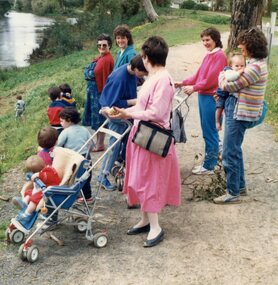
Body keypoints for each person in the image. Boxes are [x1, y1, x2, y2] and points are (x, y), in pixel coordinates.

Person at [110, 36, 181, 247]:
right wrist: (122, 112)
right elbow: (142, 107)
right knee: (141, 178)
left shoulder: (163, 80)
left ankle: (156, 226)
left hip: (153, 137)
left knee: (150, 181)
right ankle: (144, 220)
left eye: (143, 55)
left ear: (148, 57)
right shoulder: (153, 76)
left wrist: (127, 114)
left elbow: (156, 113)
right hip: (142, 134)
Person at [213, 27, 268, 204]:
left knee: (229, 152)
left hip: (239, 113)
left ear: (251, 46)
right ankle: (240, 186)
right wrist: (225, 78)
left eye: (243, 46)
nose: (240, 48)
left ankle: (233, 192)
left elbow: (228, 86)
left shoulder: (254, 68)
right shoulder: (256, 64)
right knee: (235, 149)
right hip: (238, 110)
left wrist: (221, 77)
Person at [175, 27, 227, 175]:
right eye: (203, 40)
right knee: (208, 130)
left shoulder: (220, 56)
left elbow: (211, 80)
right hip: (204, 97)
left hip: (212, 97)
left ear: (215, 39)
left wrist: (194, 88)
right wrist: (183, 82)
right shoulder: (209, 55)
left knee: (209, 131)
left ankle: (209, 166)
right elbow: (198, 75)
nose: (205, 43)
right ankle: (214, 156)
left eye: (208, 40)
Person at [98, 54, 148, 191]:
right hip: (115, 114)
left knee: (128, 142)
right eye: (143, 72)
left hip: (125, 113)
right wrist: (134, 102)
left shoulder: (131, 73)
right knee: (114, 145)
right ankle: (102, 176)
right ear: (137, 69)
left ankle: (121, 168)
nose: (144, 75)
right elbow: (113, 104)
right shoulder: (120, 78)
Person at [82, 33, 114, 152]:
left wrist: (88, 73)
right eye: (99, 45)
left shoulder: (106, 60)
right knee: (96, 119)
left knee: (99, 119)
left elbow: (92, 74)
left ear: (109, 46)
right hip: (93, 92)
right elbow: (89, 73)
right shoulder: (100, 58)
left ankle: (100, 144)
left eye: (104, 45)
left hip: (99, 93)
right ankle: (98, 143)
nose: (101, 47)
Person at [12, 155, 61, 229]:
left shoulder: (48, 170)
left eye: (34, 172)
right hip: (41, 189)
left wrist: (39, 175)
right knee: (29, 192)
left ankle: (27, 214)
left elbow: (48, 176)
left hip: (49, 191)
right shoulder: (43, 169)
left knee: (34, 200)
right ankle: (24, 202)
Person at [57, 107, 93, 204]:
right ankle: (88, 196)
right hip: (86, 157)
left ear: (68, 120)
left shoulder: (65, 132)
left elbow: (58, 145)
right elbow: (91, 143)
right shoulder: (84, 129)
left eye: (61, 121)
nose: (61, 124)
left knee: (72, 177)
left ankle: (75, 194)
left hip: (74, 159)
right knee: (85, 177)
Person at [215, 53, 246, 131]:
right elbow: (230, 77)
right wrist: (239, 72)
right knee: (220, 107)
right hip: (223, 94)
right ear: (231, 66)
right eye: (237, 66)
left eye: (242, 66)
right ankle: (217, 122)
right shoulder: (229, 71)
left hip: (230, 95)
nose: (239, 68)